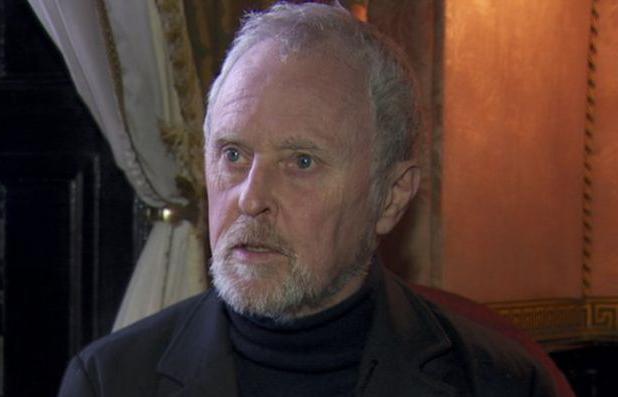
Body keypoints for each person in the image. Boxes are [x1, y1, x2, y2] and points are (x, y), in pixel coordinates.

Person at [57, 2, 557, 396]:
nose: (250, 199)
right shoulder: (110, 381)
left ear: (391, 196)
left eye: (301, 162)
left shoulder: (501, 383)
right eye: (232, 153)